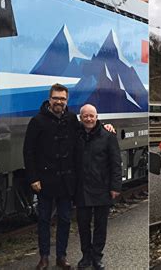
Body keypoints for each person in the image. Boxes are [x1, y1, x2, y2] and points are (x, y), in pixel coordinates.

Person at [23, 83, 79, 270]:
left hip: (66, 182)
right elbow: (28, 152)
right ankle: (44, 257)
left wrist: (105, 128)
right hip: (45, 181)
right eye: (56, 98)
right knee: (44, 221)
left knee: (64, 220)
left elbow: (87, 134)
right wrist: (33, 178)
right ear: (49, 99)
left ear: (67, 100)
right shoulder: (37, 121)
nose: (59, 102)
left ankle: (61, 256)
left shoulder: (72, 119)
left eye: (62, 99)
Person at [76, 104, 122, 270]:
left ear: (97, 117)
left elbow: (116, 163)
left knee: (100, 225)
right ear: (80, 118)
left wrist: (115, 186)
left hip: (102, 187)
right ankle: (86, 256)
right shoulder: (76, 135)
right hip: (81, 188)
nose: (89, 119)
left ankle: (97, 257)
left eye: (91, 116)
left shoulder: (108, 135)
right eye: (85, 116)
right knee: (83, 225)